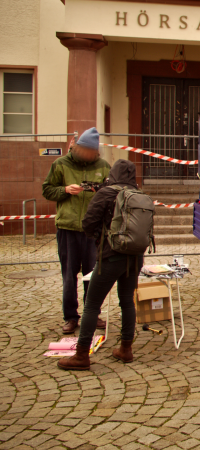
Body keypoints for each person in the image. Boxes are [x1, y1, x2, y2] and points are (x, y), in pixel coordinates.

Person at [58, 159, 143, 371]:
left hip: (110, 256)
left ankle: (81, 356)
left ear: (113, 173)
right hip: (134, 257)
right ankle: (126, 349)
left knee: (92, 305)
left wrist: (99, 239)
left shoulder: (106, 193)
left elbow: (88, 223)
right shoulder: (140, 195)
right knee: (127, 303)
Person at [42, 127, 110, 334]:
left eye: (93, 152)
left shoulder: (103, 166)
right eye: (86, 151)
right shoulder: (60, 164)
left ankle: (93, 313)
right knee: (69, 276)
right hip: (68, 227)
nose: (89, 155)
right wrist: (65, 190)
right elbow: (47, 190)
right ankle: (71, 317)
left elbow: (111, 193)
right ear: (78, 147)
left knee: (93, 275)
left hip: (92, 231)